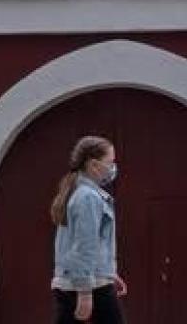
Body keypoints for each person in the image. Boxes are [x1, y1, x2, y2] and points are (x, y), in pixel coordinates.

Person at [51, 134, 126, 323]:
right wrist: (85, 293)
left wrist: (109, 272)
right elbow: (84, 246)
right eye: (110, 162)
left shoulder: (77, 192)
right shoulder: (88, 198)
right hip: (90, 286)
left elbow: (87, 243)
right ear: (93, 165)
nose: (112, 168)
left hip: (83, 281)